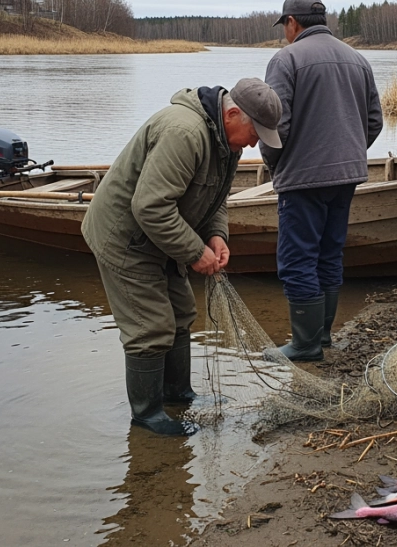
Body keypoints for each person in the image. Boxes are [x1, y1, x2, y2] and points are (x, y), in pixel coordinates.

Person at [81, 78, 282, 436]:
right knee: (150, 326)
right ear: (233, 113)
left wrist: (217, 236)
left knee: (181, 313)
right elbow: (150, 207)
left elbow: (217, 198)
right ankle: (146, 414)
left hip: (164, 237)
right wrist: (193, 251)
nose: (255, 143)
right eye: (255, 132)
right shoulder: (184, 133)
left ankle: (177, 394)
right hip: (125, 238)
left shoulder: (228, 143)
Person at [262, 0, 382, 362]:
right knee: (329, 255)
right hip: (346, 177)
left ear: (291, 23)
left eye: (284, 25)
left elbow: (274, 125)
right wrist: (349, 155)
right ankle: (323, 336)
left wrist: (275, 165)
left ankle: (305, 344)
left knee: (297, 260)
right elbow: (374, 121)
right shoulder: (358, 60)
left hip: (303, 179)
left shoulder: (286, 60)